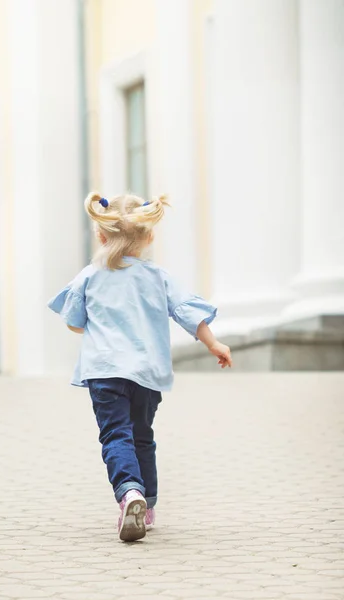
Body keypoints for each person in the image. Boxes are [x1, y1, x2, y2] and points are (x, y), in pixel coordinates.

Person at [48, 192, 232, 542]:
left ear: (102, 236)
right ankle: (146, 505)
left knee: (116, 435)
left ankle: (129, 492)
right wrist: (214, 344)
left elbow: (74, 322)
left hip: (104, 371)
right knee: (142, 436)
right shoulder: (158, 276)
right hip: (146, 373)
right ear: (149, 237)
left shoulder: (90, 275)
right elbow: (187, 312)